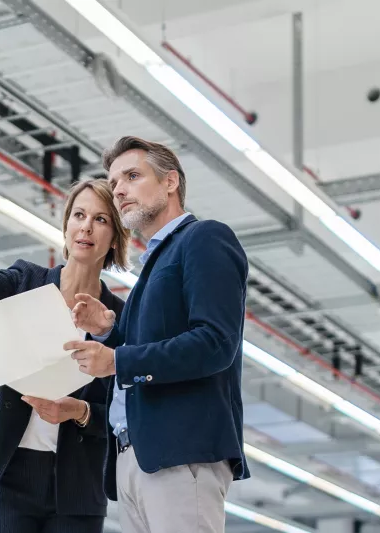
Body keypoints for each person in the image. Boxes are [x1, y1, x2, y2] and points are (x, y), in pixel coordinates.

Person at [65, 136, 250, 533]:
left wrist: (117, 360)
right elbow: (149, 346)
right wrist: (111, 331)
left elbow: (216, 342)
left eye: (132, 176)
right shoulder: (152, 266)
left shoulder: (204, 239)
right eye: (114, 183)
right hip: (135, 457)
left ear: (171, 182)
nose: (119, 190)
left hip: (179, 453)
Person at [0, 172, 130, 533]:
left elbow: (129, 409)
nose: (86, 228)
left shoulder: (121, 319)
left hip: (78, 485)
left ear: (114, 239)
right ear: (65, 228)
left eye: (100, 219)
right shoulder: (25, 282)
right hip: (7, 476)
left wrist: (80, 411)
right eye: (78, 215)